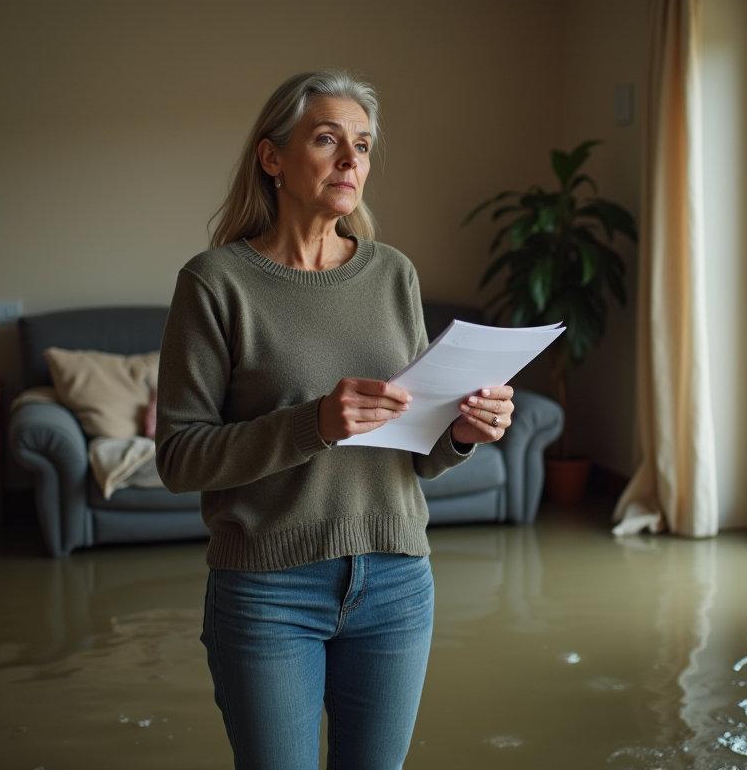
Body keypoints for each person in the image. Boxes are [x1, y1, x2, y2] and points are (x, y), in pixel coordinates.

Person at [154, 69, 515, 770]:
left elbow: (413, 448)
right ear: (272, 158)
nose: (353, 160)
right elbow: (179, 458)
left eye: (364, 144)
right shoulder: (214, 283)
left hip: (397, 580)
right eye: (328, 139)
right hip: (267, 590)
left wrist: (461, 433)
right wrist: (313, 422)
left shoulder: (393, 276)